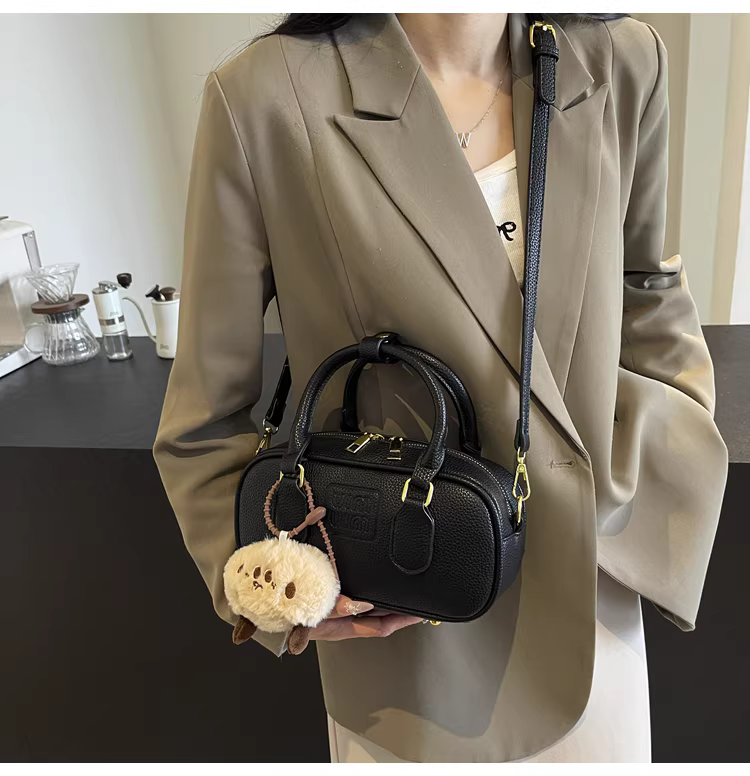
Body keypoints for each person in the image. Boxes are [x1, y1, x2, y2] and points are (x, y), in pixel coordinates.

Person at [153, 13, 728, 763]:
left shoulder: (620, 59)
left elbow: (647, 292)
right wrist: (270, 590)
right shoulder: (264, 97)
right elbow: (202, 417)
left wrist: (668, 439)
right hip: (407, 629)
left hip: (594, 598)